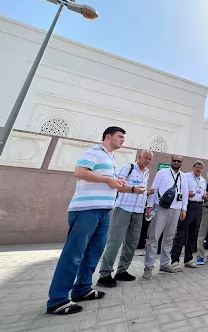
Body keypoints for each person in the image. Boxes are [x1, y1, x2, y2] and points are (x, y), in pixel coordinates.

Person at [46, 127, 127, 315]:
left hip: (104, 211)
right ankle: (57, 299)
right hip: (86, 210)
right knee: (73, 254)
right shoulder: (94, 152)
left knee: (93, 253)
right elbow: (80, 172)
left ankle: (82, 289)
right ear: (108, 137)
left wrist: (123, 186)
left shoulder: (111, 159)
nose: (123, 140)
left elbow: (107, 182)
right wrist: (107, 180)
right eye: (120, 137)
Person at [97, 151, 152, 287]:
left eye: (150, 159)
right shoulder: (129, 168)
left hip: (138, 212)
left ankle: (122, 271)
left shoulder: (147, 172)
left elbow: (141, 190)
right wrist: (133, 189)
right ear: (139, 157)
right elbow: (118, 186)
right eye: (145, 158)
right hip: (123, 209)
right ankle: (105, 274)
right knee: (115, 241)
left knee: (132, 243)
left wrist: (146, 199)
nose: (147, 161)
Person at [143, 155, 189, 279]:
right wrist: (149, 205)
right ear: (171, 162)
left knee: (169, 238)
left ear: (181, 163)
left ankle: (164, 264)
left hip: (176, 209)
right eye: (174, 160)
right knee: (154, 237)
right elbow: (154, 188)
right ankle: (148, 267)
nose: (176, 162)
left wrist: (184, 209)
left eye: (179, 161)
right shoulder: (162, 173)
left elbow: (185, 194)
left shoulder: (183, 177)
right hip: (159, 207)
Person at [169, 160, 207, 270]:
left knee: (193, 235)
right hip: (187, 206)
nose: (198, 170)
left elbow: (201, 192)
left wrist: (204, 196)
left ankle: (188, 259)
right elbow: (178, 190)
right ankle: (174, 260)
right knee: (181, 234)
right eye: (197, 167)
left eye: (200, 168)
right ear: (193, 167)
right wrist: (186, 194)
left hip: (199, 206)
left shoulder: (203, 180)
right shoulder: (185, 176)